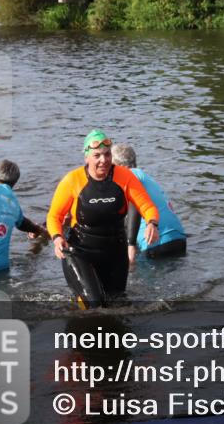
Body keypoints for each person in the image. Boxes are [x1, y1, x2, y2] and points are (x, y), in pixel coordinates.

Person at [47, 130, 159, 307]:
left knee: (117, 304)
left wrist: (152, 223)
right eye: (97, 155)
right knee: (95, 303)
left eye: (107, 154)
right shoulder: (72, 180)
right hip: (80, 252)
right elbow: (54, 216)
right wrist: (57, 237)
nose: (103, 160)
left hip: (115, 253)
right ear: (87, 157)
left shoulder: (125, 176)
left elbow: (147, 206)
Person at [110, 143, 188, 260]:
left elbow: (133, 206)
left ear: (119, 166)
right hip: (179, 238)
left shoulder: (129, 176)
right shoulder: (146, 177)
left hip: (155, 244)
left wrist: (130, 244)